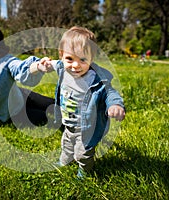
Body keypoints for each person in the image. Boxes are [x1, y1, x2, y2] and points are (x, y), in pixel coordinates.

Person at [48, 26, 126, 178]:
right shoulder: (63, 69)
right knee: (66, 146)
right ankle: (64, 162)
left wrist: (115, 104)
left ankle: (84, 170)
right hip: (68, 124)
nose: (75, 66)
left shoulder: (96, 79)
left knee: (83, 153)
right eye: (70, 59)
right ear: (62, 56)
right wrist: (43, 64)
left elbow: (110, 93)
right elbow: (53, 64)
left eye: (82, 59)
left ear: (92, 58)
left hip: (87, 129)